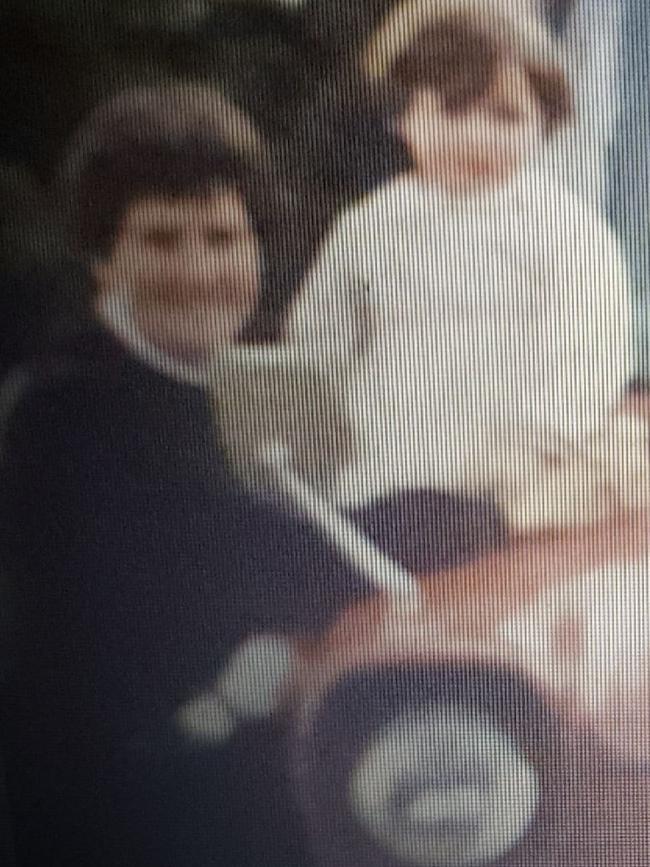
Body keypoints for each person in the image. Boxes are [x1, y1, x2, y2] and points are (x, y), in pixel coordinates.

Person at [0, 82, 373, 867]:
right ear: (103, 260)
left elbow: (335, 537)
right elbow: (263, 559)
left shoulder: (260, 384)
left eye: (223, 237)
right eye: (162, 241)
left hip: (278, 797)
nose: (200, 271)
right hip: (124, 819)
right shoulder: (62, 411)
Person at [284, 0, 645, 540]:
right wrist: (328, 439)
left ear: (545, 123)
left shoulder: (563, 231)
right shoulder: (375, 223)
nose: (477, 137)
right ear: (404, 117)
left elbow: (588, 355)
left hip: (509, 481)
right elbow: (322, 336)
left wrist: (529, 455)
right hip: (383, 463)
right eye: (451, 112)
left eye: (506, 116)